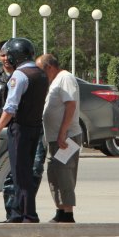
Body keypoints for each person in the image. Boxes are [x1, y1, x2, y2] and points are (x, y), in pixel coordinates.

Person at [0, 37, 48, 223]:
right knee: (25, 173)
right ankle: (19, 213)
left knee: (19, 174)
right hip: (35, 128)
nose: (8, 59)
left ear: (16, 56)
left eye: (10, 55)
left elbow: (10, 108)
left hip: (21, 129)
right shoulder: (40, 73)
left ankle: (27, 215)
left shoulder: (19, 76)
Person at [36, 53, 81, 223]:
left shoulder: (65, 78)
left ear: (49, 67)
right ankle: (60, 210)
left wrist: (63, 132)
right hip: (54, 138)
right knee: (54, 174)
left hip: (66, 137)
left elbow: (70, 105)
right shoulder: (54, 81)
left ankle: (68, 213)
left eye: (41, 70)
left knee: (65, 174)